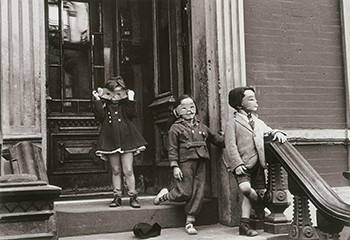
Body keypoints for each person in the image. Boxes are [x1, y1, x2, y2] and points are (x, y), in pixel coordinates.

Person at [153, 95, 225, 235]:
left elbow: (216, 139)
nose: (189, 110)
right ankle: (165, 196)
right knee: (185, 191)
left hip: (201, 161)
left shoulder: (201, 127)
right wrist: (175, 166)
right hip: (185, 162)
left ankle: (190, 221)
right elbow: (172, 148)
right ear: (177, 111)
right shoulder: (176, 128)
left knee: (199, 191)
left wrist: (230, 140)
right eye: (184, 108)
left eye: (191, 106)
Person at [223, 86, 287, 236]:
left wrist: (277, 132)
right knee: (245, 189)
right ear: (240, 104)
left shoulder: (258, 122)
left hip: (258, 164)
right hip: (242, 165)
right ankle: (259, 204)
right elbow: (230, 146)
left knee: (251, 193)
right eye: (251, 99)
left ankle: (244, 225)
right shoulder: (232, 123)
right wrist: (237, 164)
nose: (256, 102)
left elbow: (268, 130)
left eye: (255, 98)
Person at [92, 76, 147, 208]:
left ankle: (133, 196)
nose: (115, 96)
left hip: (127, 138)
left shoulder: (125, 103)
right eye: (113, 92)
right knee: (116, 169)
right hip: (111, 139)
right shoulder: (105, 104)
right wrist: (98, 100)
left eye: (119, 92)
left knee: (128, 169)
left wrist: (131, 99)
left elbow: (132, 114)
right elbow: (99, 117)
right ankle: (117, 196)